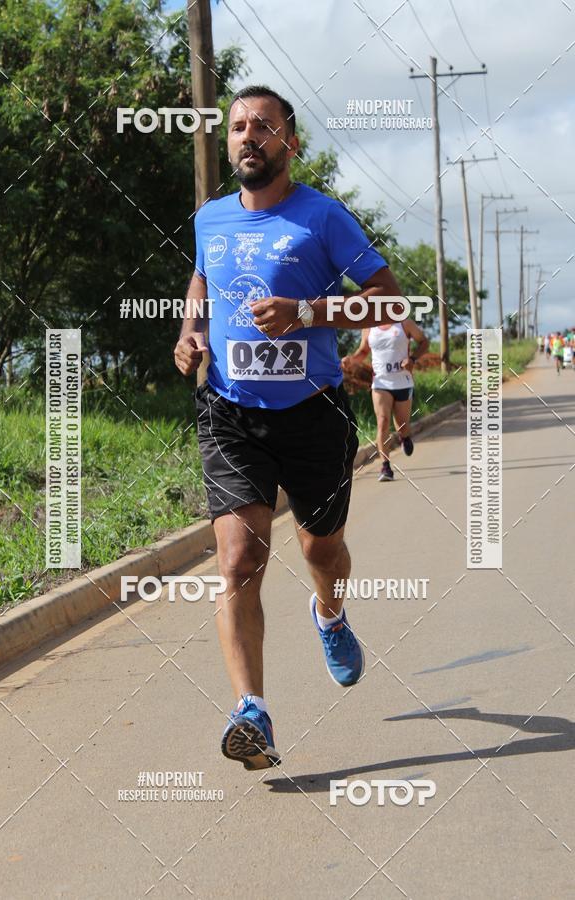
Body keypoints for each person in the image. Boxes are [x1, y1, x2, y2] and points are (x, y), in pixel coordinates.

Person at [174, 85, 404, 770]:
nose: (247, 136)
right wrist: (191, 332)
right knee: (240, 562)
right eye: (238, 126)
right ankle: (253, 713)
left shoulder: (324, 218)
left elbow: (387, 300)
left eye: (263, 127)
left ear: (289, 143)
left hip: (315, 413)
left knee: (323, 551)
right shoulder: (210, 219)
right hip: (230, 411)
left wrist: (308, 314)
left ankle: (329, 614)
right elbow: (201, 283)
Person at [342, 321, 429, 481]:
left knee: (402, 426)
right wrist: (352, 360)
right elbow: (363, 351)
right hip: (380, 383)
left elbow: (424, 342)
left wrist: (412, 359)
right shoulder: (369, 326)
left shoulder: (404, 323)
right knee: (382, 421)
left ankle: (404, 436)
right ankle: (386, 467)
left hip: (403, 381)